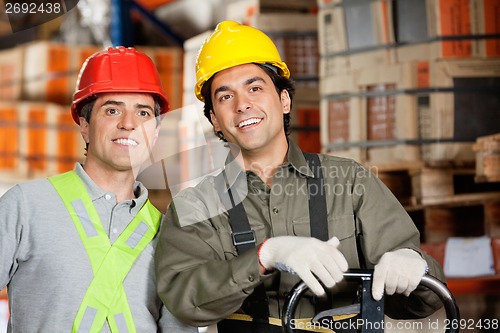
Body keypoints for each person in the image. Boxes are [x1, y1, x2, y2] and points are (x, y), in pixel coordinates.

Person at [155, 21, 446, 332]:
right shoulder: (196, 206)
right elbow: (182, 300)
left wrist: (413, 266)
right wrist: (265, 256)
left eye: (255, 88)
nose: (243, 105)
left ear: (284, 101)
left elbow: (425, 301)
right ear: (214, 120)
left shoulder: (350, 183)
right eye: (225, 97)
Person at [0, 46, 197, 333]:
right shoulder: (26, 207)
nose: (129, 124)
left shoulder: (170, 237)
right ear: (84, 124)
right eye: (112, 110)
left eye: (143, 113)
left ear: (154, 133)